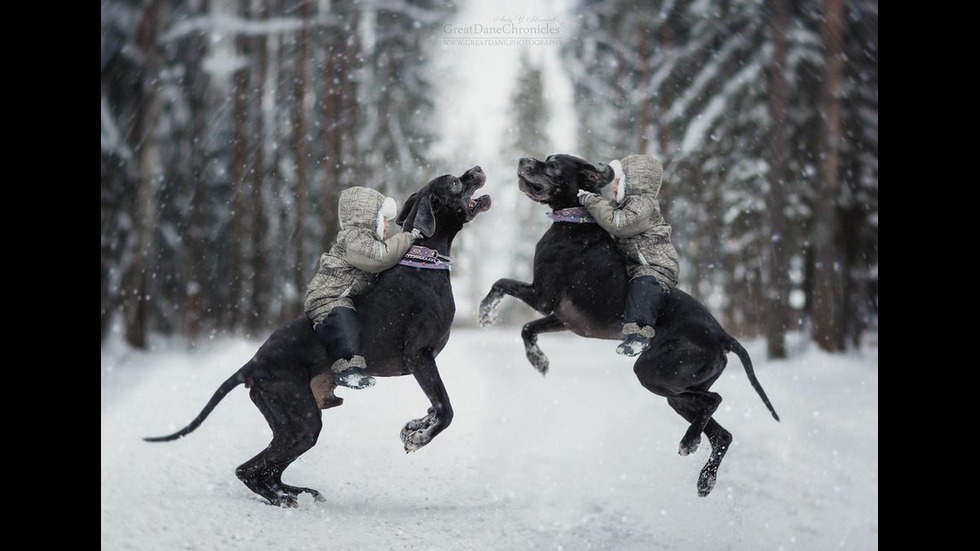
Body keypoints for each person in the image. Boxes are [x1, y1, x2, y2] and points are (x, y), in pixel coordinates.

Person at [305, 186, 420, 408]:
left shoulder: (364, 239)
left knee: (352, 317)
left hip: (345, 295)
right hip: (328, 297)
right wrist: (409, 237)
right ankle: (348, 370)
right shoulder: (354, 238)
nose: (386, 226)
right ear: (368, 218)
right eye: (383, 220)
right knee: (344, 322)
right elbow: (381, 257)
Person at [578, 155, 680, 356]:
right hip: (635, 264)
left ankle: (639, 336)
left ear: (634, 184)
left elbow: (618, 224)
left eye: (618, 183)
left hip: (655, 266)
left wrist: (591, 201)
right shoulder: (628, 205)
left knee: (642, 287)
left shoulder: (643, 205)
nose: (614, 188)